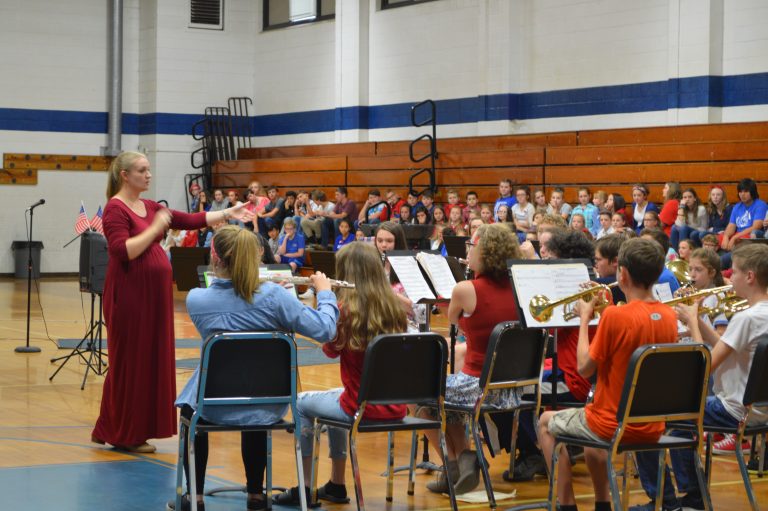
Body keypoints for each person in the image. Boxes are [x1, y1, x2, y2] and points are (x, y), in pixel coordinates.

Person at [92, 151, 252, 454]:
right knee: (131, 362)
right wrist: (155, 229)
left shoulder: (151, 206)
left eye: (149, 169)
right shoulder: (115, 209)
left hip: (152, 297)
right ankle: (126, 433)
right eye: (142, 170)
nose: (148, 175)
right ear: (125, 175)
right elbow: (122, 250)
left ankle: (109, 426)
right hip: (130, 296)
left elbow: (190, 220)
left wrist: (230, 212)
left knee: (143, 360)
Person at [171, 225, 338, 511]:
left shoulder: (196, 299)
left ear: (216, 258)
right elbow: (325, 329)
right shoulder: (275, 297)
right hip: (268, 403)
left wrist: (276, 299)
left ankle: (194, 497)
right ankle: (256, 494)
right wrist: (324, 293)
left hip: (212, 404)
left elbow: (237, 307)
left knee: (190, 409)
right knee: (253, 398)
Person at [537, 237, 678, 511]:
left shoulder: (615, 316)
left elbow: (584, 367)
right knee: (589, 429)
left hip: (611, 424)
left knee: (544, 422)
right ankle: (602, 504)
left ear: (622, 274)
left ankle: (567, 505)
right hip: (651, 425)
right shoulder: (669, 315)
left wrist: (584, 318)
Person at [634, 243, 768, 511]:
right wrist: (699, 321)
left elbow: (703, 366)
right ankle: (692, 496)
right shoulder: (757, 315)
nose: (730, 279)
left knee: (643, 416)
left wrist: (693, 320)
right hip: (759, 409)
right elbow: (725, 347)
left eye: (735, 273)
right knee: (678, 420)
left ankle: (668, 500)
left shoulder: (747, 318)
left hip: (734, 409)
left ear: (750, 277)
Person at [273, 242, 407, 506]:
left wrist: (326, 300)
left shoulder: (346, 310)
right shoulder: (395, 309)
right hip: (393, 405)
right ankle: (336, 484)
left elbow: (329, 350)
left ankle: (305, 488)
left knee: (300, 403)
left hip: (360, 407)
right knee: (335, 399)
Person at [417, 223, 523, 495]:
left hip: (478, 387)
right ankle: (461, 466)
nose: (467, 251)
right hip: (512, 389)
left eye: (472, 246)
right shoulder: (519, 287)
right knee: (447, 398)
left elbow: (453, 319)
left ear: (486, 252)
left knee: (417, 394)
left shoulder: (466, 289)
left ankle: (456, 461)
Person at [720, 178, 767, 267]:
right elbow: (731, 225)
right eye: (740, 192)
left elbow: (756, 226)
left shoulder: (760, 205)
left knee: (724, 258)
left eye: (746, 191)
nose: (742, 194)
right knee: (711, 238)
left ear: (752, 192)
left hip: (748, 237)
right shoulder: (737, 206)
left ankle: (721, 263)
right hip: (737, 236)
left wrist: (735, 237)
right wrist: (726, 237)